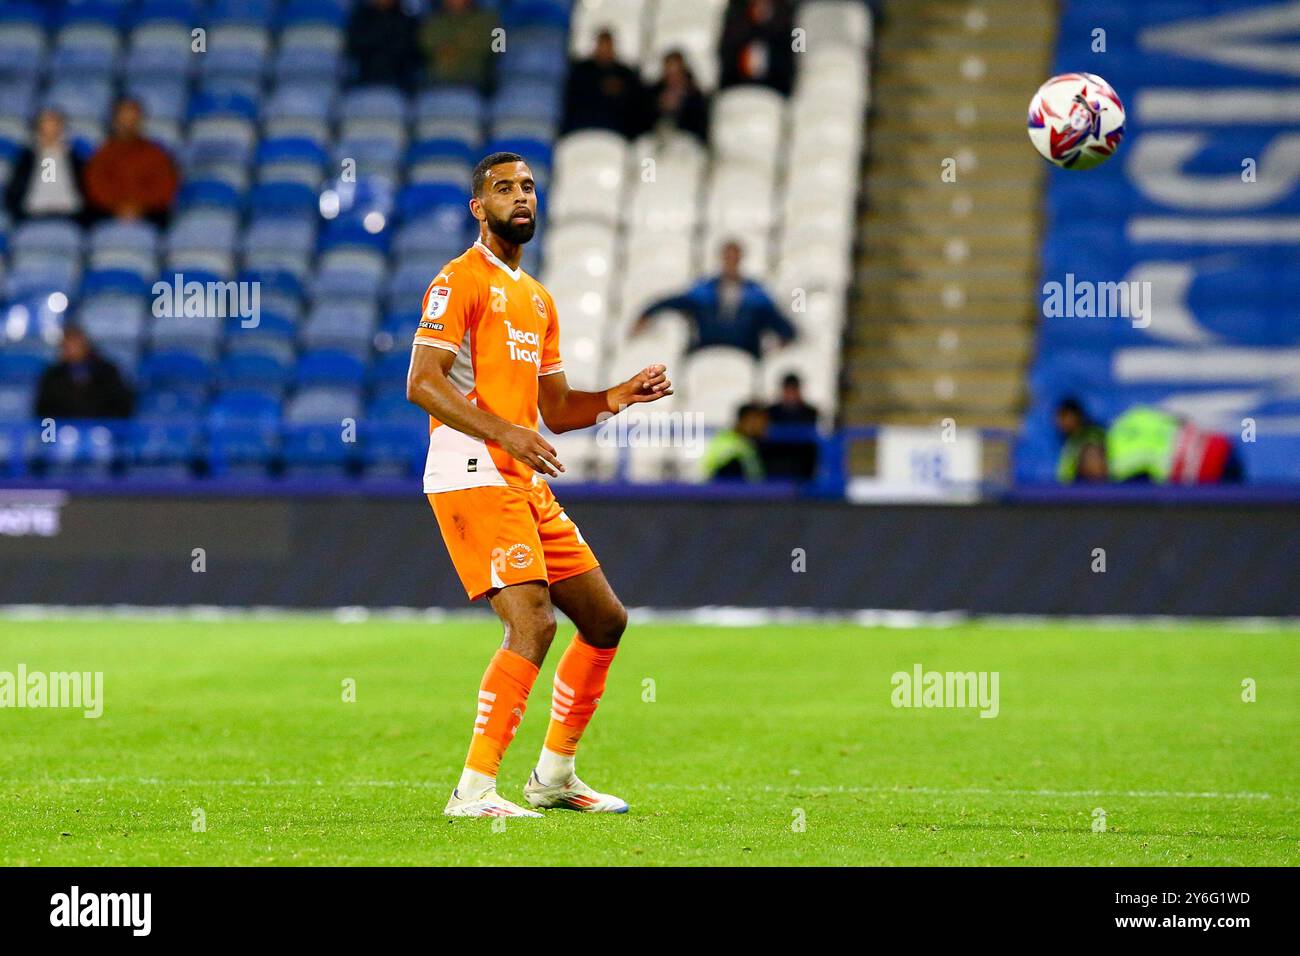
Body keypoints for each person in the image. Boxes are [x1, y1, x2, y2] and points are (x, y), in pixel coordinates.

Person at [406, 152, 674, 817]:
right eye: (504, 188)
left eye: (528, 187)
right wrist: (503, 431)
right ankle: (472, 790)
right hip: (471, 472)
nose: (520, 197)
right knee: (531, 621)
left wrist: (616, 396)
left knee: (605, 619)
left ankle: (554, 776)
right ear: (479, 207)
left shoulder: (537, 299)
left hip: (521, 479)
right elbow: (422, 382)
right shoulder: (458, 280)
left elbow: (553, 410)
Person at [634, 240, 796, 358]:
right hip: (705, 350)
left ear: (740, 259)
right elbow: (673, 301)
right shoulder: (704, 291)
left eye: (734, 258)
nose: (730, 262)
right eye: (727, 257)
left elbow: (779, 322)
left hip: (744, 354)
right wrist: (646, 314)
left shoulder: (755, 294)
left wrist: (784, 340)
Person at [82, 98, 179, 228]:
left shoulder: (156, 154)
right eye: (124, 120)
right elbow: (95, 187)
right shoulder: (101, 155)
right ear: (115, 121)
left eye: (133, 120)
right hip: (109, 211)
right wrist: (117, 207)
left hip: (148, 212)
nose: (128, 124)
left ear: (140, 121)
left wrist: (140, 207)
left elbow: (165, 187)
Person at [4, 109, 86, 223]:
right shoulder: (26, 158)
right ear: (37, 130)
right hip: (33, 213)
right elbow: (13, 191)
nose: (51, 130)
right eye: (46, 125)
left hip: (70, 214)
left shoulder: (75, 158)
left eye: (55, 125)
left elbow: (86, 191)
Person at [34, 327, 134, 420]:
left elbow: (121, 405)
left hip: (103, 430)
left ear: (85, 344)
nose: (71, 349)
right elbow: (43, 410)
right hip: (63, 432)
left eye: (75, 344)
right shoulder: (52, 376)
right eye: (67, 345)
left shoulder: (108, 372)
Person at [560, 28, 644, 138]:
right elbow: (572, 101)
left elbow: (634, 107)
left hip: (616, 131)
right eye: (601, 46)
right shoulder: (580, 71)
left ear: (613, 48)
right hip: (582, 127)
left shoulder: (625, 74)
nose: (604, 51)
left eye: (607, 47)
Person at [419, 0, 500, 92]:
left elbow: (494, 48)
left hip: (475, 87)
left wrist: (454, 45)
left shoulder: (489, 20)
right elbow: (427, 44)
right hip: (436, 86)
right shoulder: (432, 21)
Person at [718, 0, 795, 96]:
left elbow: (796, 52)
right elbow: (724, 50)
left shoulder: (789, 13)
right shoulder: (734, 10)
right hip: (735, 85)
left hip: (777, 87)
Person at [347, 0, 421, 91]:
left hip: (398, 88)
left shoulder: (408, 21)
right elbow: (354, 46)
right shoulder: (361, 18)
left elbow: (409, 53)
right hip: (363, 84)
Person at [641, 50, 709, 144]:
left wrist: (681, 105)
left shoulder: (695, 95)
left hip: (686, 142)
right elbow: (643, 121)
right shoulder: (655, 92)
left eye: (676, 72)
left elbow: (699, 126)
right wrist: (659, 106)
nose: (673, 77)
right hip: (659, 138)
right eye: (669, 73)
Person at [762, 372, 819, 481]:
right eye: (788, 389)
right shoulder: (770, 411)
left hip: (801, 463)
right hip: (775, 463)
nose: (791, 394)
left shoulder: (810, 412)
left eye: (794, 389)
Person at [702, 401, 767, 482]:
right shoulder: (730, 446)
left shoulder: (746, 444)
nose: (763, 426)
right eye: (759, 421)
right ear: (746, 421)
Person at [1053, 396, 1106, 483]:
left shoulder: (1093, 435)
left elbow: (1096, 472)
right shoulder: (1070, 441)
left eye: (1064, 416)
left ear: (1076, 416)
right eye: (1059, 417)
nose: (1060, 422)